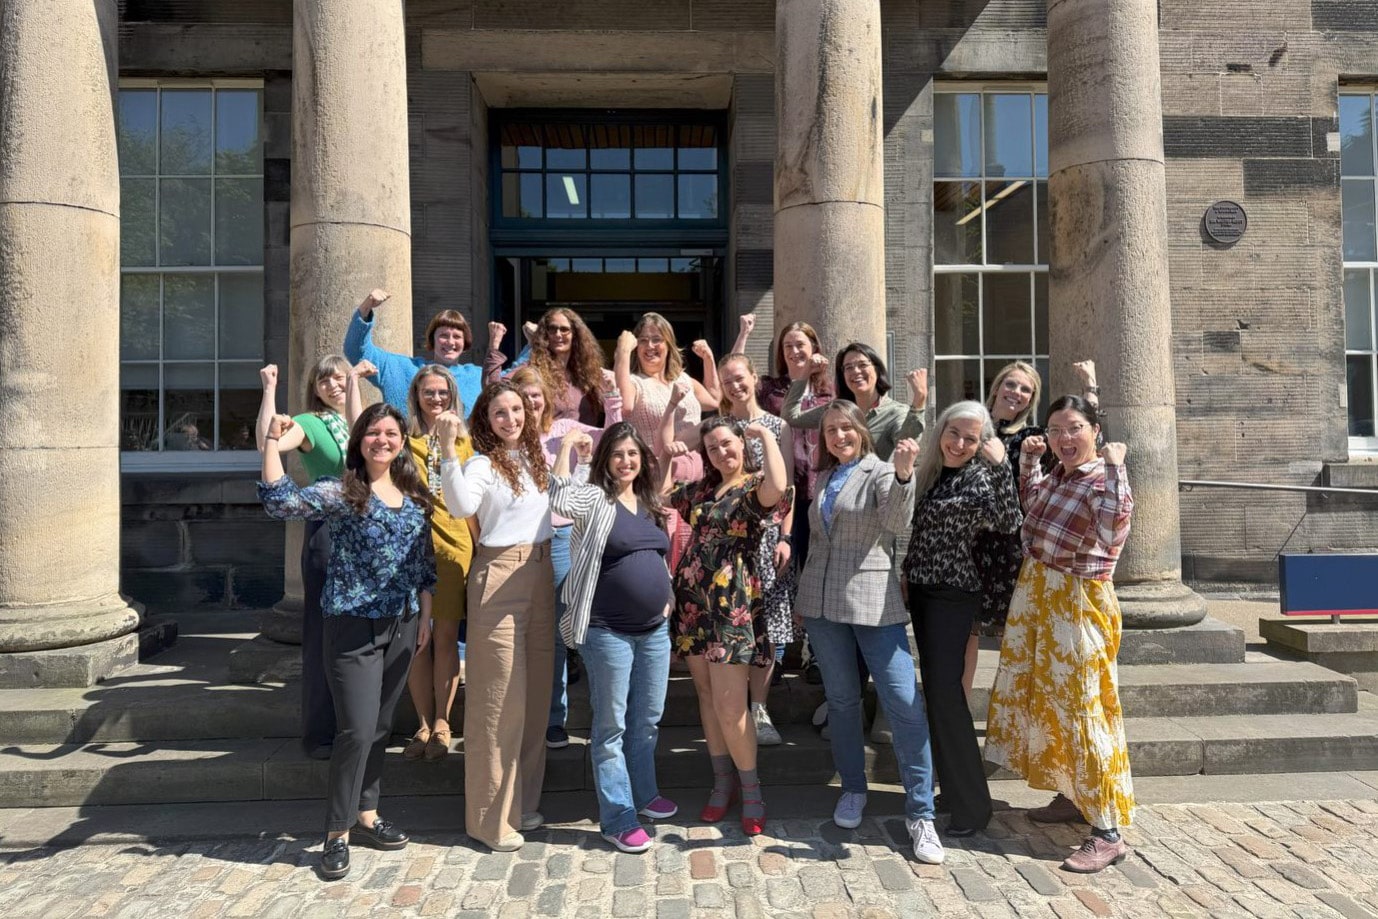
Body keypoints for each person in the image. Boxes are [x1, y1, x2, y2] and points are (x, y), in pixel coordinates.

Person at [259, 403, 436, 882]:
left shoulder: (416, 493)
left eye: (391, 433)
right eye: (373, 433)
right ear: (359, 441)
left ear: (402, 440)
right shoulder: (343, 490)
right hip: (352, 627)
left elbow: (423, 563)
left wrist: (427, 615)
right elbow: (280, 502)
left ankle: (368, 813)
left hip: (401, 625)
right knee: (355, 730)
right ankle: (336, 833)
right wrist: (273, 442)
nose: (383, 440)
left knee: (379, 727)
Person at [984, 395, 1135, 874]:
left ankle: (1108, 830)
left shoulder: (1100, 479)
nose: (1064, 439)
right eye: (1054, 430)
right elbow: (1032, 505)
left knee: (1086, 708)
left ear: (1095, 430)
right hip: (1040, 595)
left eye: (1073, 428)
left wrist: (1116, 469)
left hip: (1077, 601)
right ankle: (1073, 794)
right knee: (1050, 701)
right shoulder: (1060, 475)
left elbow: (1113, 530)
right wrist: (1028, 460)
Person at [793, 401, 944, 864]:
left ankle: (921, 812)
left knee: (902, 702)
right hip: (821, 606)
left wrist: (902, 476)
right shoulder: (821, 478)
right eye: (830, 430)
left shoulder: (882, 471)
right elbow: (818, 540)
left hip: (873, 602)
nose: (838, 436)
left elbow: (897, 525)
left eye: (846, 428)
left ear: (861, 431)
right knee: (841, 702)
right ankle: (853, 789)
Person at [784, 342, 927, 742]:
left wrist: (918, 403)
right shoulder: (837, 412)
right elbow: (792, 415)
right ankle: (847, 704)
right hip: (841, 522)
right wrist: (804, 378)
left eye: (861, 365)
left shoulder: (896, 413)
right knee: (844, 628)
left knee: (881, 627)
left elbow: (909, 451)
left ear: (876, 369)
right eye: (847, 367)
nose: (854, 372)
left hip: (883, 525)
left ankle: (885, 711)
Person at [438, 382, 555, 852]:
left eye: (517, 409)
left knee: (535, 697)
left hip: (542, 572)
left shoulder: (537, 458)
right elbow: (461, 506)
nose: (511, 419)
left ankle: (522, 802)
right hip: (500, 576)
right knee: (498, 699)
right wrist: (448, 449)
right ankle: (489, 819)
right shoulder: (482, 463)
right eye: (500, 413)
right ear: (485, 421)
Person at [549, 423, 678, 853]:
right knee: (611, 727)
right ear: (606, 460)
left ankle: (644, 794)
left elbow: (657, 554)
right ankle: (618, 817)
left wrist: (667, 597)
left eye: (633, 454)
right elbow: (558, 498)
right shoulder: (594, 498)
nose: (626, 461)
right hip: (608, 631)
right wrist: (569, 445)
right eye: (618, 454)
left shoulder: (650, 502)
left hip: (654, 631)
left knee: (648, 719)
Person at [666, 408, 791, 837]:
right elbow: (662, 496)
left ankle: (751, 789)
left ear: (741, 445)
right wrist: (673, 444)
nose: (721, 451)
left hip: (731, 605)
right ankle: (723, 784)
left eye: (727, 443)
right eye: (713, 447)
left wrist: (764, 436)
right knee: (704, 694)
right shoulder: (702, 488)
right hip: (693, 603)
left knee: (730, 704)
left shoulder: (753, 486)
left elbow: (779, 485)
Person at [901, 401, 1021, 838]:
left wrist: (1003, 466)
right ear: (942, 430)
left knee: (947, 697)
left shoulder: (982, 474)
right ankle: (954, 792)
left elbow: (1010, 522)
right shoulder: (935, 471)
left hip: (953, 594)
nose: (960, 443)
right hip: (925, 592)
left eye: (971, 438)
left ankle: (973, 806)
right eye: (954, 433)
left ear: (981, 442)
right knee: (939, 694)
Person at [346, 364, 477, 763]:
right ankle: (421, 721)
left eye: (442, 392)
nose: (435, 399)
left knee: (445, 636)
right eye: (428, 392)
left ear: (452, 396)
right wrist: (352, 383)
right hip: (409, 550)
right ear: (417, 396)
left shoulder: (468, 445)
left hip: (453, 547)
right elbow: (361, 432)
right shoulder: (403, 442)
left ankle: (443, 721)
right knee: (416, 641)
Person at [670, 353, 796, 746]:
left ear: (754, 378)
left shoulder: (774, 426)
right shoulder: (717, 434)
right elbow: (669, 454)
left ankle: (757, 707)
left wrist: (785, 537)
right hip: (715, 557)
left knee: (765, 626)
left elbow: (783, 487)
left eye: (740, 378)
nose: (735, 386)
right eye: (726, 382)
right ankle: (736, 720)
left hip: (761, 529)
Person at [254, 356, 352, 760]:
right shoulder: (312, 423)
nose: (332, 384)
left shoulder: (360, 420)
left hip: (366, 535)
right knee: (323, 635)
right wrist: (269, 390)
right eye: (323, 379)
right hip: (328, 531)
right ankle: (321, 733)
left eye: (339, 377)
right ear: (316, 388)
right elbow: (268, 441)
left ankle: (357, 725)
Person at [508, 365, 604, 750]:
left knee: (565, 630)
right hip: (521, 540)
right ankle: (531, 715)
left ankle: (555, 718)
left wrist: (611, 402)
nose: (531, 403)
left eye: (536, 396)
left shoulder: (564, 431)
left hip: (563, 536)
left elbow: (609, 442)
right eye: (524, 396)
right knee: (529, 630)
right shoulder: (506, 439)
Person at [968, 361, 1044, 696]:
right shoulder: (969, 427)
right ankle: (957, 709)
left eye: (1025, 389)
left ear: (1030, 400)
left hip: (1008, 547)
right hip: (967, 543)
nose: (1016, 393)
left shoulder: (1032, 438)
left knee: (1009, 635)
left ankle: (1013, 716)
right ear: (997, 387)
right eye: (1011, 385)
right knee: (965, 632)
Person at [343, 288, 484, 418]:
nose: (450, 342)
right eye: (444, 336)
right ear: (432, 339)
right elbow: (355, 351)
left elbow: (505, 379)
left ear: (465, 341)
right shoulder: (400, 369)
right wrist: (365, 308)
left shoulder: (478, 376)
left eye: (457, 336)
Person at [614, 312, 721, 484]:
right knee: (709, 426)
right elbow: (624, 407)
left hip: (697, 473)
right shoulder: (634, 382)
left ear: (668, 344)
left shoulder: (682, 378)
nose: (649, 346)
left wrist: (708, 358)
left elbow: (714, 401)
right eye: (643, 340)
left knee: (717, 423)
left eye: (656, 339)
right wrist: (623, 352)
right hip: (657, 474)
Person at [485, 310, 619, 426]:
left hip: (586, 450)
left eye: (564, 329)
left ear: (576, 335)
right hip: (547, 451)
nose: (558, 334)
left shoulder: (589, 373)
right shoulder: (532, 370)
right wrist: (494, 345)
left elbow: (615, 407)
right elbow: (494, 390)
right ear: (545, 334)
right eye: (552, 329)